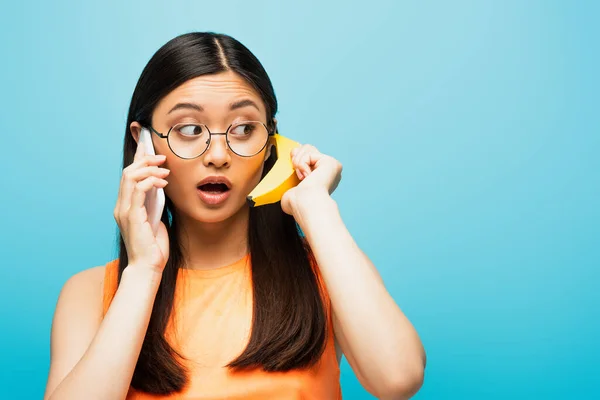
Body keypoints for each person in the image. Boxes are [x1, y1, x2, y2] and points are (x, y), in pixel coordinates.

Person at [43, 32, 426, 400]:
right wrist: (143, 272)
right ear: (143, 143)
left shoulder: (326, 270)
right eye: (190, 129)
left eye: (243, 129)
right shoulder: (90, 293)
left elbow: (398, 379)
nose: (218, 155)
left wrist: (316, 210)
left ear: (271, 141)